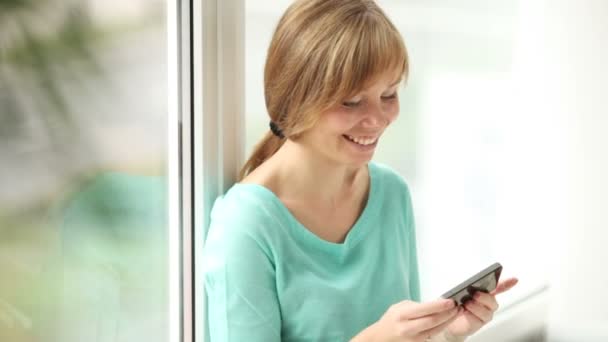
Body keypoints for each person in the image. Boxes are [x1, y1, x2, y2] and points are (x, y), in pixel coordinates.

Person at [202, 0, 518, 341]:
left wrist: (446, 333)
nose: (378, 118)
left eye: (389, 94)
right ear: (297, 97)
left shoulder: (391, 194)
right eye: (352, 101)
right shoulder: (246, 225)